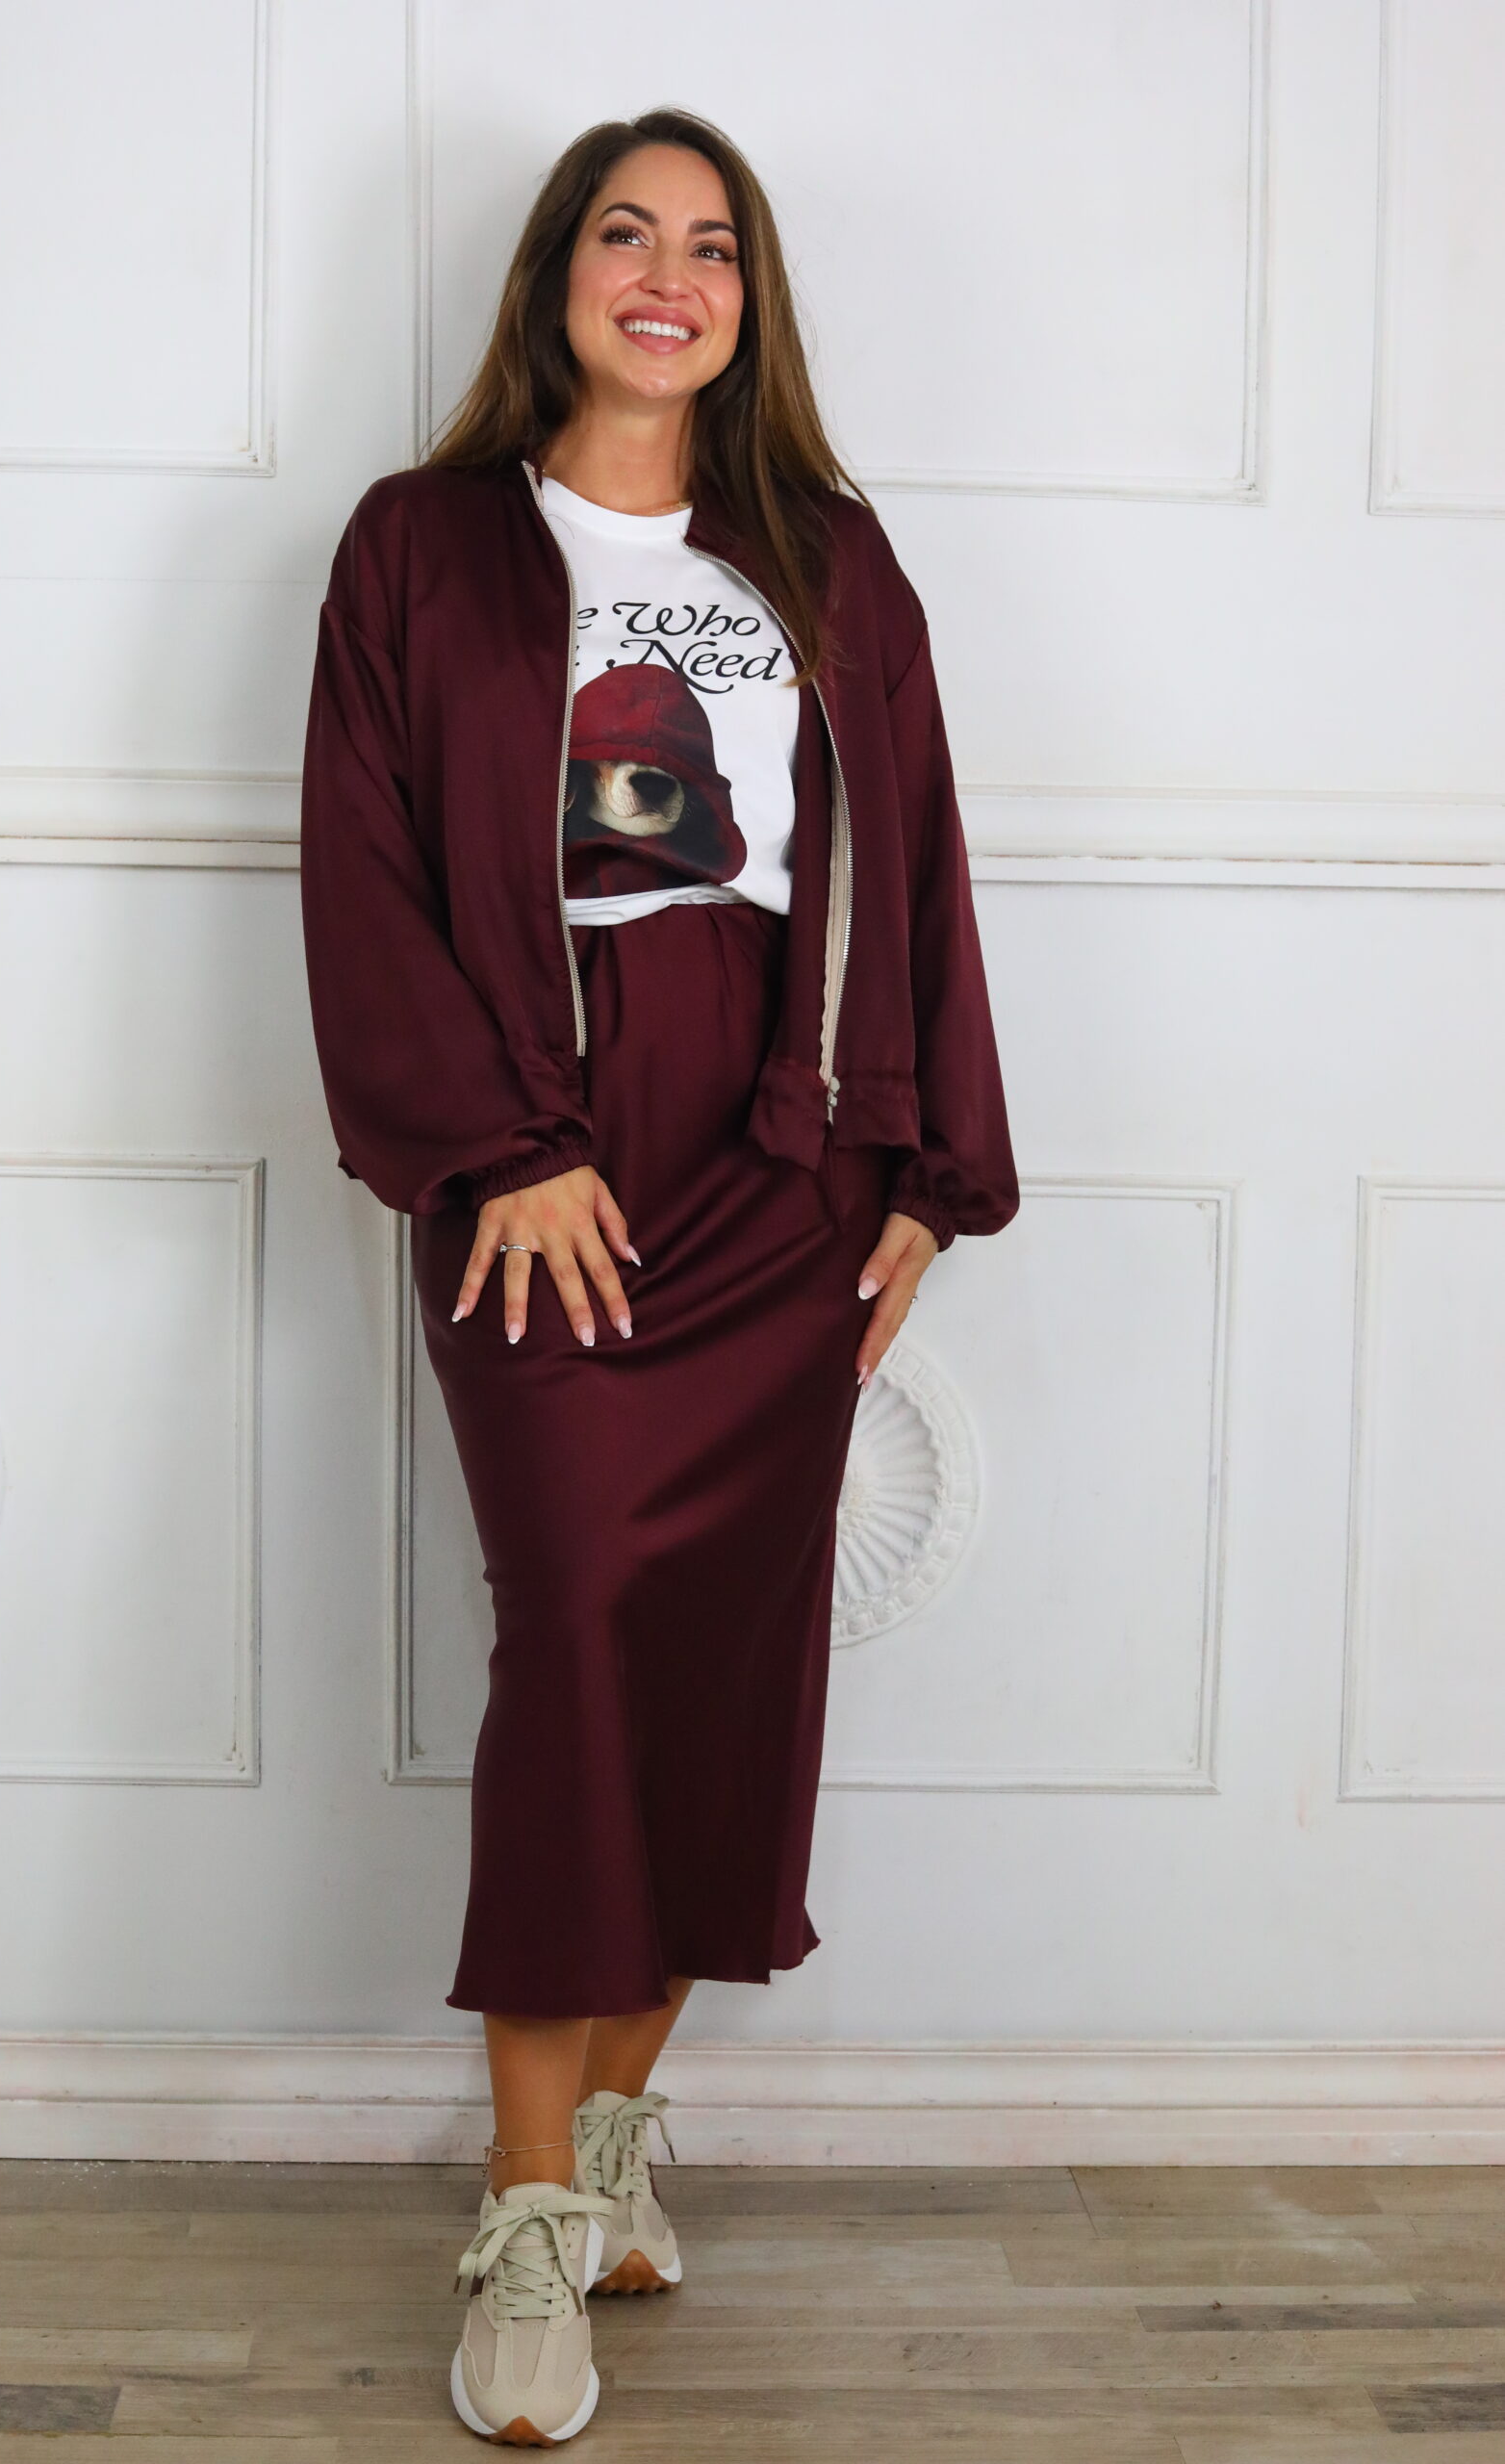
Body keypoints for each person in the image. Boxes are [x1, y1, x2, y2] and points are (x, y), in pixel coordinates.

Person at [300, 104, 1020, 2448]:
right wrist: (497, 1147)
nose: (666, 275)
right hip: (549, 1151)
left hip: (782, 1158)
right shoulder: (422, 547)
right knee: (582, 1636)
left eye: (711, 248)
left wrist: (921, 1167)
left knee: (720, 1662)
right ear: (554, 277)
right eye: (624, 232)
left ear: (745, 308)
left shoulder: (827, 556)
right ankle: (524, 2221)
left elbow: (914, 858)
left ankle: (609, 2137)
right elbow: (363, 862)